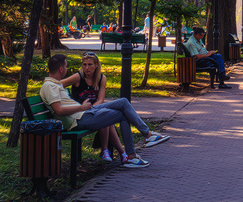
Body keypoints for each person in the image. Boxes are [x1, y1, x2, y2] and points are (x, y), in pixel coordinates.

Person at [39, 53, 169, 168]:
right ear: (61, 69)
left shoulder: (55, 84)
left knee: (123, 102)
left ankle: (146, 137)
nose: (67, 70)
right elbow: (59, 110)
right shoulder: (50, 86)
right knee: (122, 115)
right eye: (66, 67)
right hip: (79, 119)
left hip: (85, 113)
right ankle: (133, 153)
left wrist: (83, 108)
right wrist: (81, 107)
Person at [68, 53, 121, 161]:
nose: (87, 68)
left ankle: (110, 151)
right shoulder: (78, 77)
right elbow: (58, 84)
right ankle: (116, 152)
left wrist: (91, 108)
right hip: (79, 114)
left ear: (96, 65)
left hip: (92, 110)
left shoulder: (101, 78)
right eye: (84, 64)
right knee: (106, 117)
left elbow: (101, 100)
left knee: (106, 116)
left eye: (90, 64)